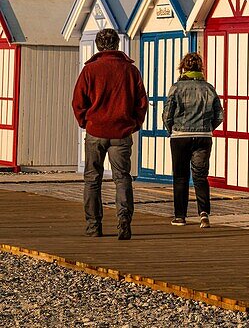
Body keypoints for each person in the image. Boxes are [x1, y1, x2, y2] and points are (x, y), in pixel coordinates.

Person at [72, 28, 148, 240]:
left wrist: (85, 121)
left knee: (92, 179)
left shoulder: (90, 70)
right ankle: (124, 220)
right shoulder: (130, 71)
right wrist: (134, 124)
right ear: (116, 45)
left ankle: (93, 226)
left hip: (96, 131)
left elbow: (78, 101)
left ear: (98, 46)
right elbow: (141, 102)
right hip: (121, 132)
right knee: (122, 178)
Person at [163, 52, 222, 228]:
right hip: (203, 137)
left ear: (183, 68)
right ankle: (204, 214)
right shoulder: (209, 88)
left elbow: (167, 114)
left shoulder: (176, 88)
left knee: (180, 176)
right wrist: (208, 128)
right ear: (200, 68)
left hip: (180, 136)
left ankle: (180, 216)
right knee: (200, 176)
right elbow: (219, 115)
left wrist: (170, 129)